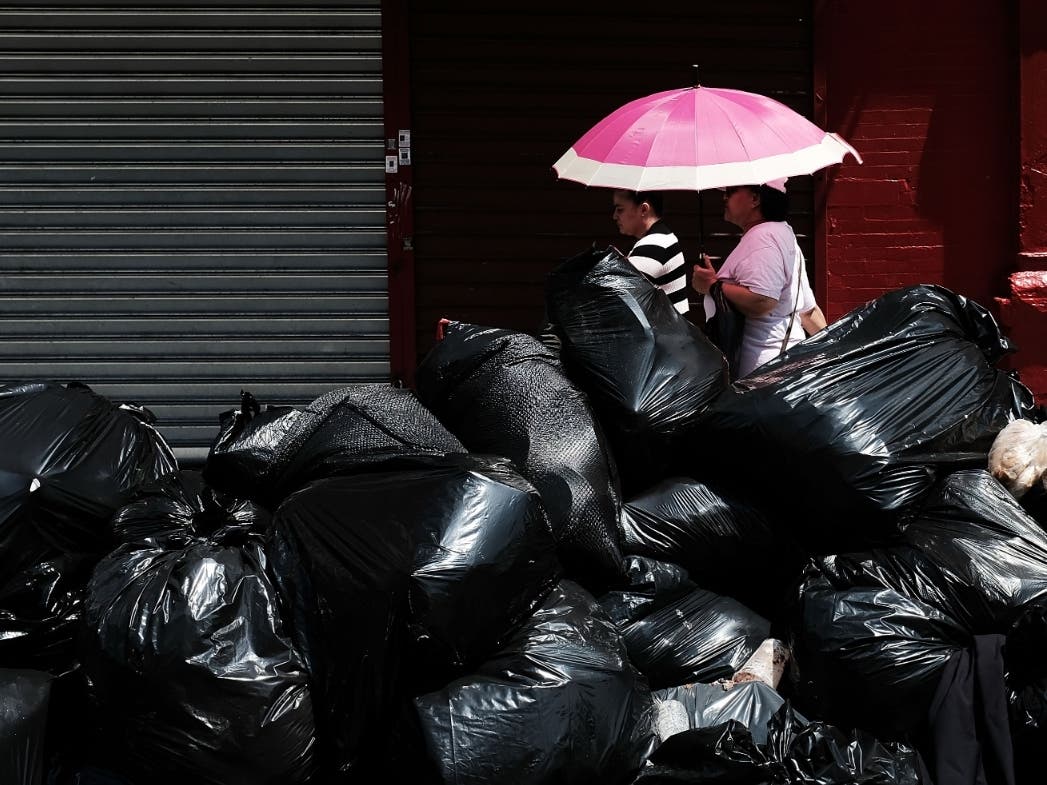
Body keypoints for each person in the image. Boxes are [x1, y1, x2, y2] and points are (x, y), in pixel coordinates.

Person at [691, 178, 827, 377]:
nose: (724, 196)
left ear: (755, 198)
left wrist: (713, 286)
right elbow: (807, 311)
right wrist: (833, 349)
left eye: (731, 190)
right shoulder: (783, 234)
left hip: (761, 376)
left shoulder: (762, 237)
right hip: (780, 368)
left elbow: (763, 300)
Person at [611, 189, 689, 314]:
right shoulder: (662, 238)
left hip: (664, 332)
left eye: (620, 209)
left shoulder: (654, 244)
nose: (614, 216)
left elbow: (614, 300)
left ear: (644, 209)